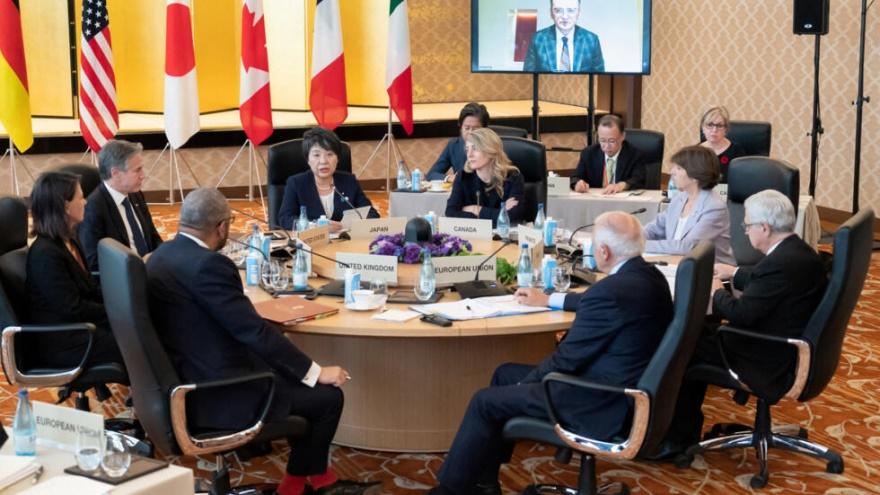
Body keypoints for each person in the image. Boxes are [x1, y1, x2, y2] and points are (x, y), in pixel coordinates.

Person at [146, 188, 379, 495]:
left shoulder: (160, 255)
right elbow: (252, 332)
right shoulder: (209, 265)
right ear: (222, 227)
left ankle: (321, 479)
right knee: (326, 397)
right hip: (221, 392)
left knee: (293, 375)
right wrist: (316, 371)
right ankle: (294, 487)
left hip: (187, 375)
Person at [428, 211, 674, 495]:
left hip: (598, 401)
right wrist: (551, 300)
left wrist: (527, 384)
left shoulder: (609, 292)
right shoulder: (648, 277)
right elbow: (597, 304)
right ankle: (485, 482)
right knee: (503, 373)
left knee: (484, 401)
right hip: (624, 387)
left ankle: (449, 490)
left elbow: (566, 359)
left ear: (604, 251)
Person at [654, 190, 827, 459]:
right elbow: (771, 286)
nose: (745, 231)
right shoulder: (800, 253)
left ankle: (676, 440)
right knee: (695, 332)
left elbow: (741, 314)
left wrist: (716, 291)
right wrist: (734, 273)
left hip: (765, 356)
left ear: (765, 228)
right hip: (786, 343)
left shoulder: (778, 265)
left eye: (747, 226)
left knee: (681, 344)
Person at [25, 171, 122, 368]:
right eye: (81, 197)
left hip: (82, 327)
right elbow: (72, 307)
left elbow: (89, 289)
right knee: (139, 343)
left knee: (141, 330)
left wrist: (122, 302)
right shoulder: (45, 254)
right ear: (65, 205)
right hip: (64, 341)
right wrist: (115, 312)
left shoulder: (68, 240)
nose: (86, 202)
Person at [79, 139, 163, 271]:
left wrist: (161, 256)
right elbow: (94, 262)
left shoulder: (136, 194)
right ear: (116, 173)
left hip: (152, 271)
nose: (143, 176)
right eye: (137, 170)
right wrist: (139, 264)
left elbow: (153, 236)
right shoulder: (93, 208)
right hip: (124, 279)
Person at [642, 146, 735, 265]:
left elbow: (687, 247)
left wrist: (640, 245)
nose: (671, 172)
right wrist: (632, 238)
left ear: (695, 175)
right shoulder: (679, 198)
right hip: (675, 263)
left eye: (679, 168)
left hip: (709, 273)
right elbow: (655, 228)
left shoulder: (714, 207)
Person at [278, 127, 379, 232]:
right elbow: (285, 219)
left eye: (329, 154)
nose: (323, 161)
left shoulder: (349, 181)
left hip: (344, 243)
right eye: (316, 155)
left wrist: (348, 225)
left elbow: (372, 214)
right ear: (308, 159)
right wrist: (316, 226)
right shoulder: (296, 183)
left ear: (338, 158)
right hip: (312, 243)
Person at [445, 127, 524, 227]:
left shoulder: (512, 177)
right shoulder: (463, 176)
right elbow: (451, 213)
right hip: (474, 236)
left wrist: (476, 209)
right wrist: (499, 213)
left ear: (490, 150)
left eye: (475, 149)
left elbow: (512, 218)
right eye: (467, 149)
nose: (469, 155)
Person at [571, 114, 647, 194]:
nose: (607, 146)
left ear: (622, 136)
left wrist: (622, 185)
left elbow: (639, 180)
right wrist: (577, 183)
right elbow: (575, 177)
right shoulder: (589, 153)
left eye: (611, 141)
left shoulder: (635, 154)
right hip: (596, 201)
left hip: (622, 202)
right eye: (602, 140)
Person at [523, 0, 604, 73]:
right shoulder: (538, 39)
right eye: (558, 10)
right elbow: (527, 78)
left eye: (570, 10)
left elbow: (599, 80)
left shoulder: (591, 40)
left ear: (578, 13)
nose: (565, 16)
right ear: (551, 13)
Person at [426, 102, 490, 182]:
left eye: (475, 129)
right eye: (467, 128)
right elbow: (431, 174)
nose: (470, 132)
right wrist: (450, 178)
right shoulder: (454, 145)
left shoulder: (492, 147)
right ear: (460, 127)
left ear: (485, 129)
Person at [698, 106, 746, 183]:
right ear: (702, 127)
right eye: (710, 125)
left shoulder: (737, 152)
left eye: (719, 126)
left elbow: (742, 181)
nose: (714, 130)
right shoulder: (694, 153)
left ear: (726, 129)